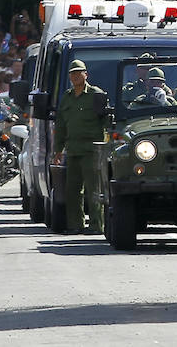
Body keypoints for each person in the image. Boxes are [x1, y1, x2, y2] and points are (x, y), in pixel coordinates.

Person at [52, 60, 108, 235]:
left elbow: (106, 122)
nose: (75, 76)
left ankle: (96, 226)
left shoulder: (96, 95)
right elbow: (61, 126)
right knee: (72, 190)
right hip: (73, 149)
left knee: (94, 189)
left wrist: (106, 146)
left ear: (86, 74)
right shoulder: (67, 97)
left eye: (79, 72)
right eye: (72, 73)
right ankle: (75, 225)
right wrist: (58, 150)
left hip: (92, 150)